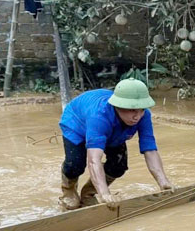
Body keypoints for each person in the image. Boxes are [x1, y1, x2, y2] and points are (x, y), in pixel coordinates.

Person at [59, 78, 174, 209]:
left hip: (112, 130)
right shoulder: (99, 116)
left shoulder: (144, 116)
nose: (137, 116)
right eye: (132, 110)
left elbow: (150, 150)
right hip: (76, 124)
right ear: (117, 106)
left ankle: (89, 193)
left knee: (118, 166)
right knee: (75, 165)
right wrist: (105, 193)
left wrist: (163, 181)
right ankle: (69, 190)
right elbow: (94, 160)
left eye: (141, 109)